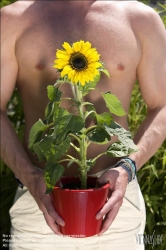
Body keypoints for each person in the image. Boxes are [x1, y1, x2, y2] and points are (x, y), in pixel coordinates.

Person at [1, 0, 166, 249]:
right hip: (40, 197)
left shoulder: (140, 19)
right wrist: (30, 176)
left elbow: (162, 105)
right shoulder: (12, 19)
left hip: (115, 201)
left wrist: (127, 168)